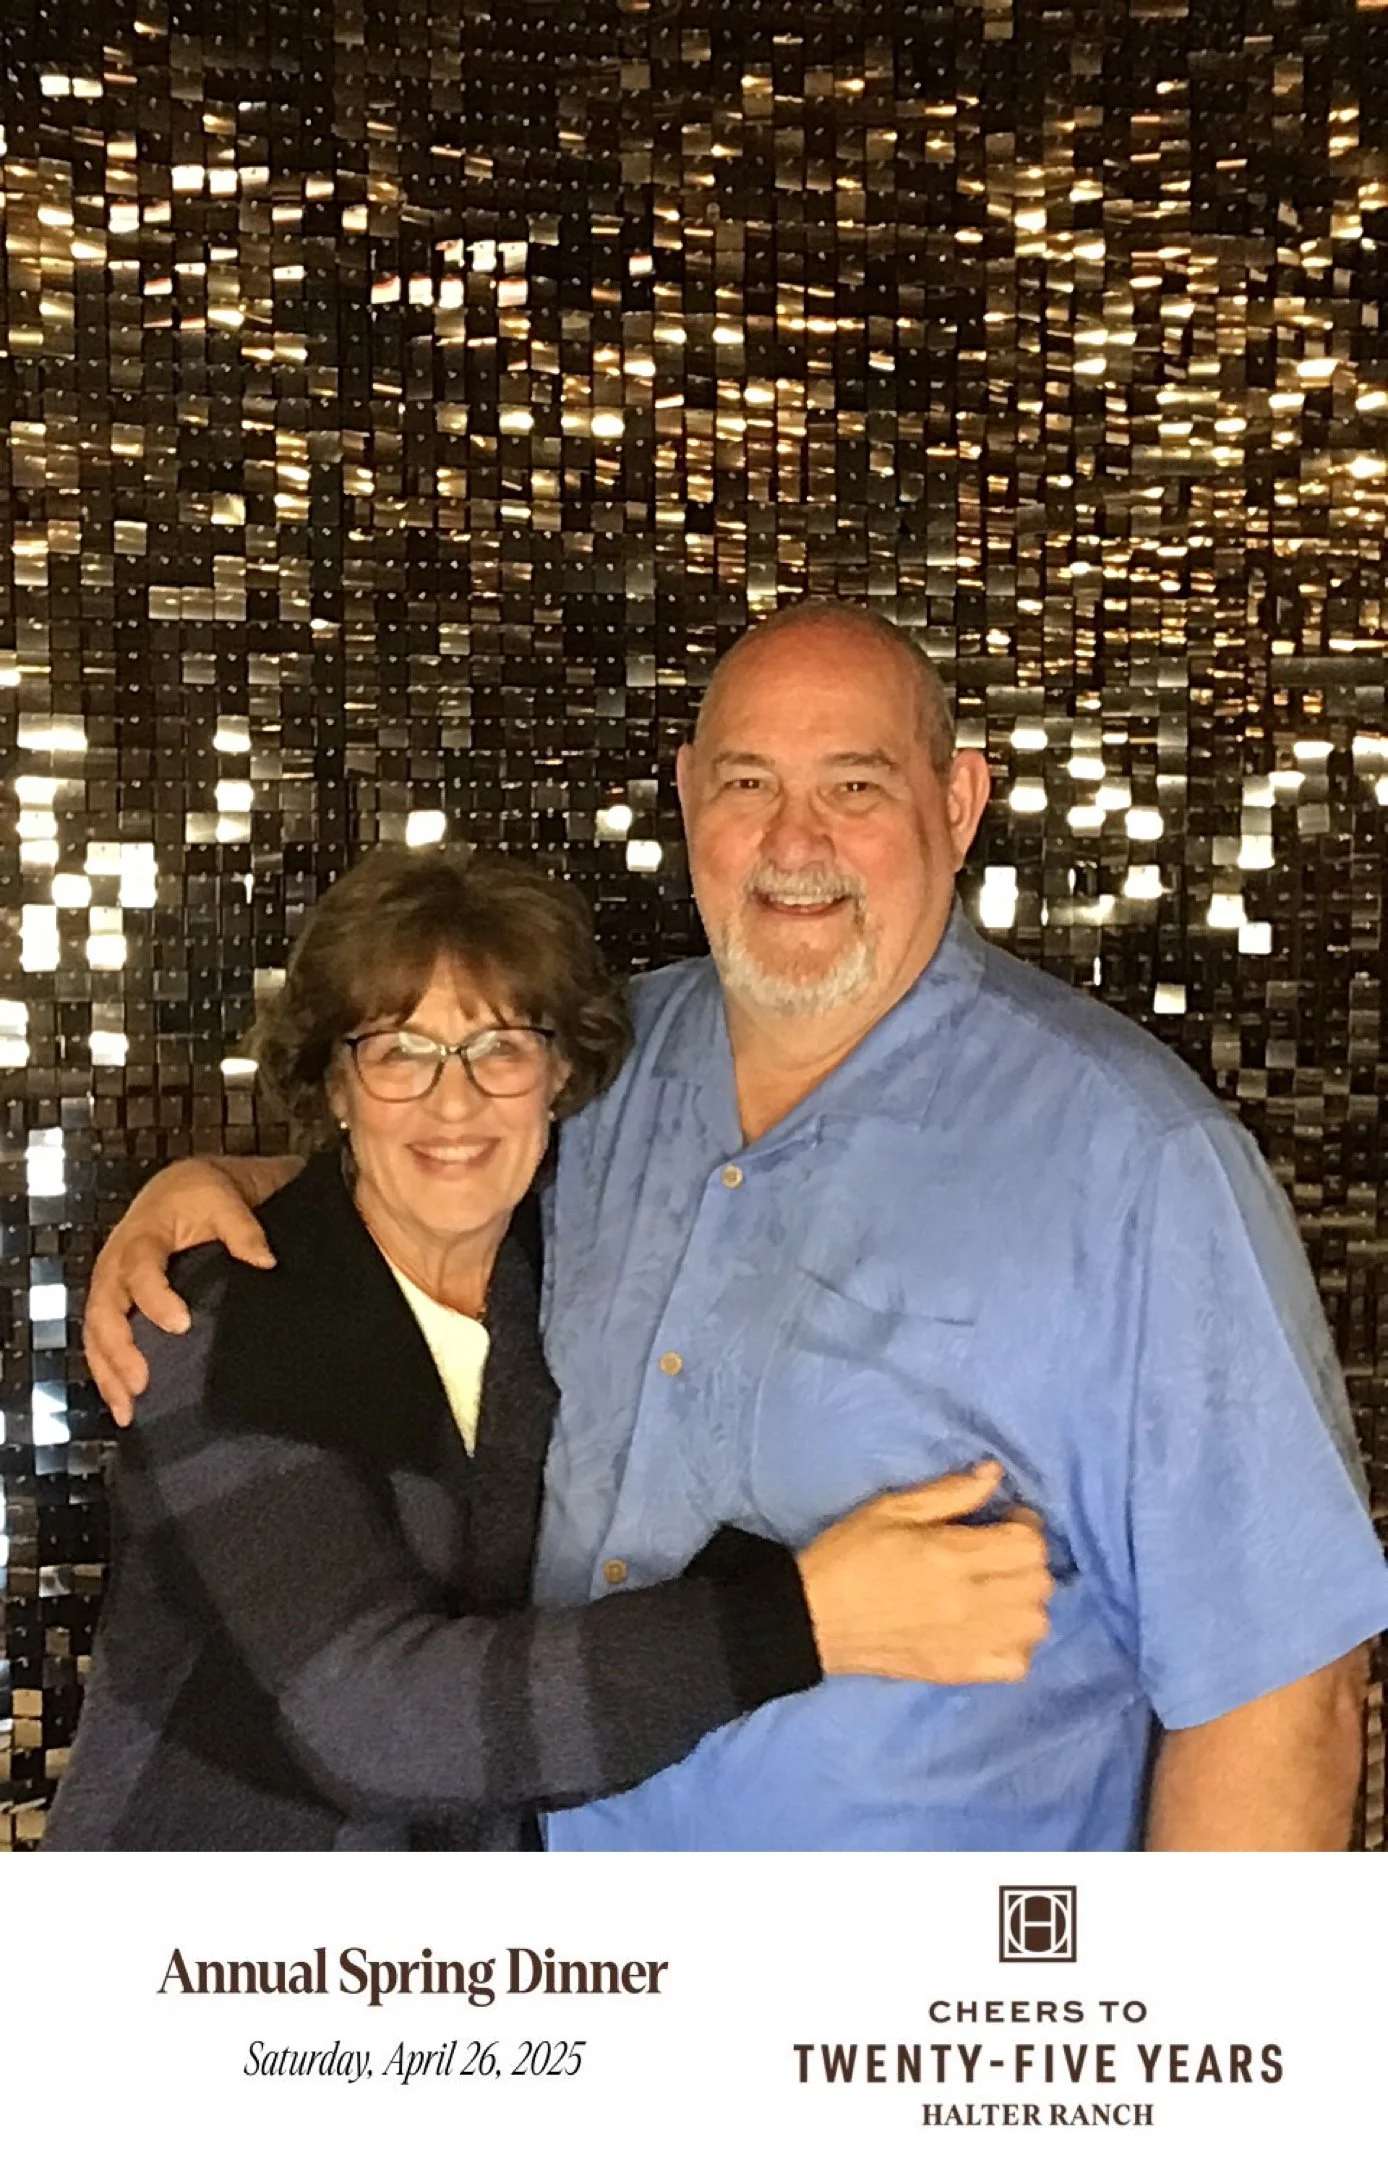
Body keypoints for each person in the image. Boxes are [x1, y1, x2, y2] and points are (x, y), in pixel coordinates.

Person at [85, 603, 1388, 1850]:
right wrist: (221, 1186)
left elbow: (1282, 1694)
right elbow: (438, 1169)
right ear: (688, 797)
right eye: (748, 782)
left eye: (855, 785)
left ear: (957, 803)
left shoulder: (1137, 1163)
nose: (794, 839)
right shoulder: (605, 1064)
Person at [49, 846, 1054, 1849]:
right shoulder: (216, 1322)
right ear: (337, 1085)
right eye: (399, 1052)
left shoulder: (565, 1269)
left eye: (499, 1048)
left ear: (559, 1073)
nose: (453, 1102)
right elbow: (377, 1725)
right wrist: (807, 1622)